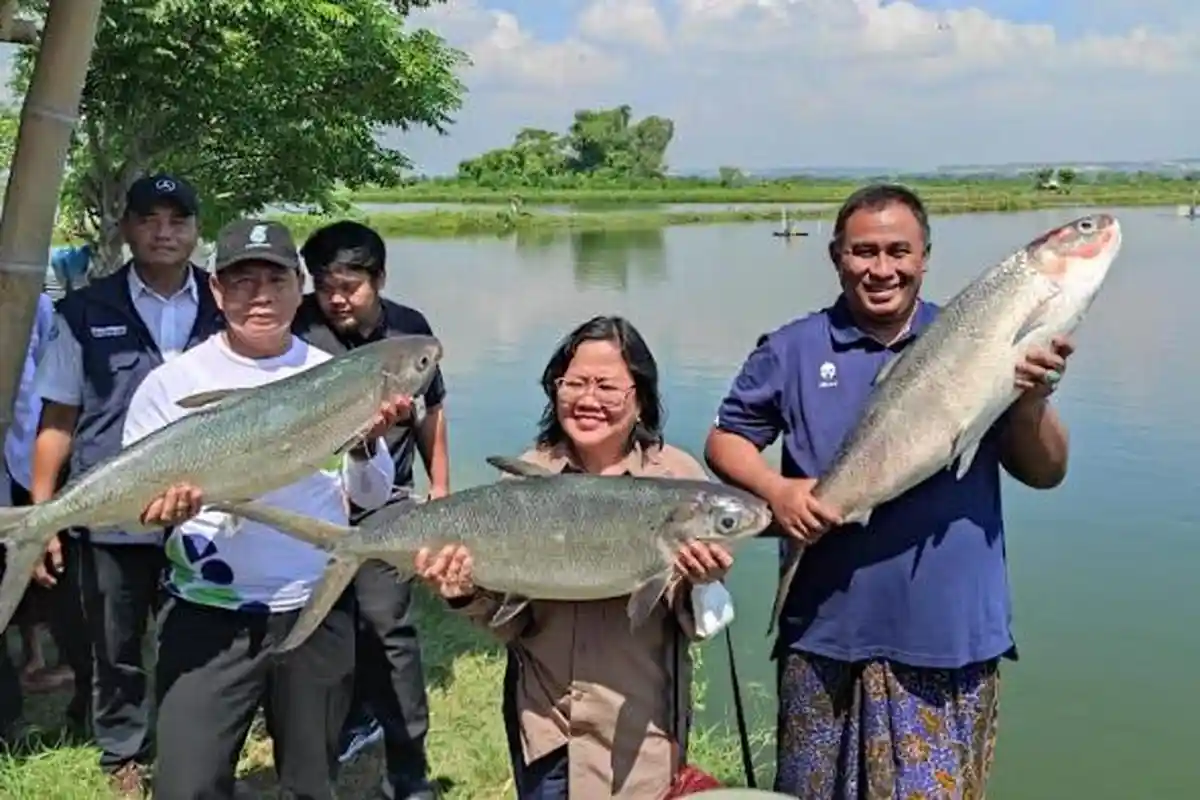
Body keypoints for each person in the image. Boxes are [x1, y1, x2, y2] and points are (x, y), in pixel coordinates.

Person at [703, 183, 1074, 797]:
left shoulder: (984, 337)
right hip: (823, 634)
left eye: (898, 251)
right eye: (863, 252)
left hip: (948, 638)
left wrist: (1032, 398)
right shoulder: (792, 348)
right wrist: (778, 489)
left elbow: (1046, 471)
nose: (882, 269)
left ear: (926, 255)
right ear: (836, 257)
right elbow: (726, 440)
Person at [130, 218, 409, 800]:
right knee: (184, 785)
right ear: (215, 290)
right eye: (241, 280)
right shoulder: (172, 383)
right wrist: (162, 512)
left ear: (298, 285)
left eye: (274, 279)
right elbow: (142, 505)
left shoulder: (332, 374)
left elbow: (372, 495)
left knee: (311, 783)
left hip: (315, 607)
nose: (259, 294)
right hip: (205, 612)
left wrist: (362, 441)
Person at [416, 315, 735, 799]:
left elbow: (698, 627)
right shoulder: (528, 480)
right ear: (554, 390)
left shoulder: (680, 482)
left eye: (608, 386)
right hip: (548, 732)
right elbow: (512, 626)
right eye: (574, 383)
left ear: (641, 397)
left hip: (640, 737)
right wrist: (462, 595)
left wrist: (704, 583)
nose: (588, 400)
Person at [29, 173, 219, 794]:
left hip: (205, 507)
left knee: (197, 629)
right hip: (112, 507)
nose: (164, 232)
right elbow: (58, 418)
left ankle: (192, 736)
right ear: (126, 227)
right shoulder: (85, 310)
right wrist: (42, 514)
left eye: (178, 220)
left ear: (196, 229)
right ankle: (122, 753)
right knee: (115, 640)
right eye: (149, 219)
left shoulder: (228, 307)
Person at [294, 220, 448, 800]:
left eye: (351, 285)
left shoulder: (411, 332)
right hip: (312, 504)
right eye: (326, 284)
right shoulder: (297, 325)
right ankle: (327, 746)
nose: (336, 298)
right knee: (322, 631)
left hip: (388, 504)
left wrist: (443, 489)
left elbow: (434, 412)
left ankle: (408, 772)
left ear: (379, 279)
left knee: (387, 629)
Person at [3, 292, 78, 696]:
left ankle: (43, 658)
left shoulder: (36, 303)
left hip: (28, 444)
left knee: (39, 561)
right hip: (15, 451)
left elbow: (48, 382)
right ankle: (27, 663)